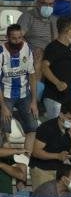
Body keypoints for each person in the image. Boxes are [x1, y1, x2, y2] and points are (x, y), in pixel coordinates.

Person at [0, 23, 37, 151]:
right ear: (7, 38)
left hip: (24, 94)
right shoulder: (1, 53)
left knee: (33, 128)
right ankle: (9, 160)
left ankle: (27, 159)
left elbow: (32, 75)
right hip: (5, 95)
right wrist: (3, 106)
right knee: (5, 131)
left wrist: (34, 101)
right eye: (14, 38)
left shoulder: (27, 49)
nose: (17, 41)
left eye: (20, 38)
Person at [29, 104, 71, 191]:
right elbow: (36, 152)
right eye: (69, 118)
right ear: (61, 115)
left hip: (59, 172)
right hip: (42, 170)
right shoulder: (46, 127)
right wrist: (57, 156)